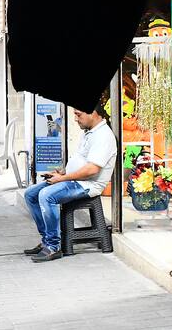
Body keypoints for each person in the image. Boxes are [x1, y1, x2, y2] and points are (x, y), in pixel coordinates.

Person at [24, 101, 117, 262]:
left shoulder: (104, 136)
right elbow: (80, 161)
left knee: (46, 195)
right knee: (30, 194)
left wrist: (63, 178)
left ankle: (53, 246)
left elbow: (92, 170)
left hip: (88, 185)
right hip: (74, 179)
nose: (75, 118)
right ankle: (47, 238)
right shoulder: (89, 132)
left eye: (78, 114)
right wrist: (62, 172)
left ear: (92, 113)